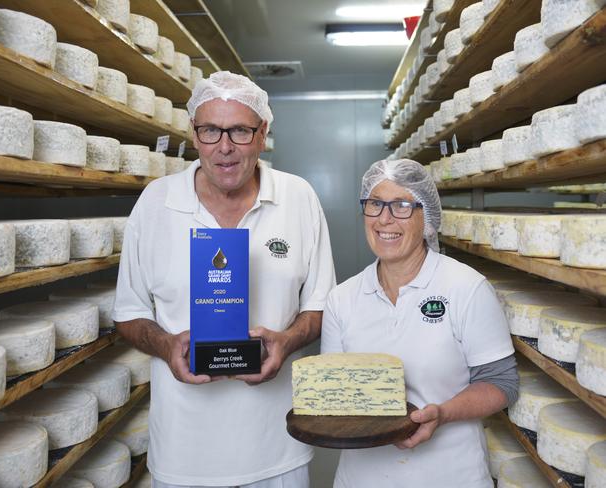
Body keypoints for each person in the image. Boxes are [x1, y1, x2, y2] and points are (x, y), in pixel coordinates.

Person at [112, 71, 336, 488]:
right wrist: (166, 345)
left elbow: (321, 305)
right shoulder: (156, 202)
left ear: (263, 132)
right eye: (211, 130)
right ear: (194, 134)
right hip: (184, 452)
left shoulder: (299, 197)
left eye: (240, 130)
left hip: (278, 450)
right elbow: (129, 313)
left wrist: (287, 341)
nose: (225, 147)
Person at [321, 158, 518, 488]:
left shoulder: (465, 288)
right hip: (361, 478)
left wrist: (442, 413)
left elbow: (501, 384)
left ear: (425, 216)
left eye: (401, 205)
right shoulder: (342, 299)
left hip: (450, 475)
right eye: (375, 204)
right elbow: (336, 394)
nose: (385, 218)